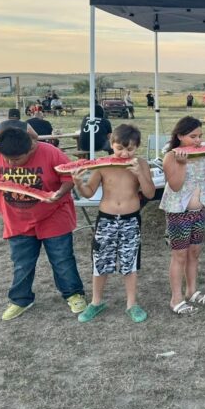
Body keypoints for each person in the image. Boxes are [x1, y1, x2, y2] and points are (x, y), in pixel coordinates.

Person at [0, 128, 87, 320]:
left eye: (16, 160)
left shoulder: (51, 153)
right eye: (7, 159)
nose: (10, 164)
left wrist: (58, 194)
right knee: (21, 263)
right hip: (17, 219)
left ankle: (73, 294)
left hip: (54, 216)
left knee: (62, 259)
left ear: (30, 148)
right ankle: (20, 299)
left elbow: (68, 178)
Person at [73, 124, 155, 323]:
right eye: (119, 149)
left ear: (137, 147)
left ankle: (132, 304)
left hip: (131, 220)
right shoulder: (103, 164)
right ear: (111, 144)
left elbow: (150, 193)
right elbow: (89, 192)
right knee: (100, 262)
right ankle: (96, 302)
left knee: (130, 263)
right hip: (106, 220)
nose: (124, 154)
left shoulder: (141, 164)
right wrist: (78, 183)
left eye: (130, 149)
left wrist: (139, 174)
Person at [161, 117, 205, 315]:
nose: (198, 140)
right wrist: (182, 164)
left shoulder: (203, 155)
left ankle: (191, 291)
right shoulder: (171, 156)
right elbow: (175, 186)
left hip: (199, 212)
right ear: (180, 136)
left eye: (200, 136)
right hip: (178, 213)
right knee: (179, 255)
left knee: (194, 253)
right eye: (193, 136)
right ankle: (176, 299)